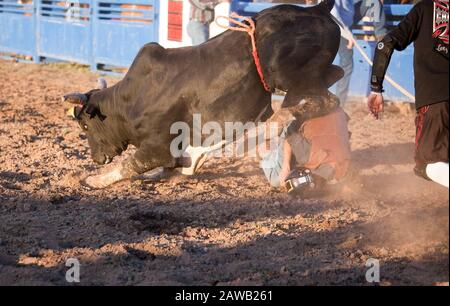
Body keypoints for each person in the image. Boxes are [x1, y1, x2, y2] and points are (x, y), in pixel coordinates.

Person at [367, 0, 449, 188]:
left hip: (435, 101)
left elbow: (385, 44)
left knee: (427, 165)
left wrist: (376, 88)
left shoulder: (424, 8)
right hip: (438, 102)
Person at [261, 94, 352, 195]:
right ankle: (267, 151)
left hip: (333, 109)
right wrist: (285, 166)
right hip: (300, 122)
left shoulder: (341, 170)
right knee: (276, 180)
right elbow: (290, 138)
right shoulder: (307, 155)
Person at [333, 0, 388, 105]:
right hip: (336, 26)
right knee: (346, 63)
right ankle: (339, 104)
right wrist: (349, 35)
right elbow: (333, 16)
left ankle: (381, 35)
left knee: (373, 2)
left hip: (349, 17)